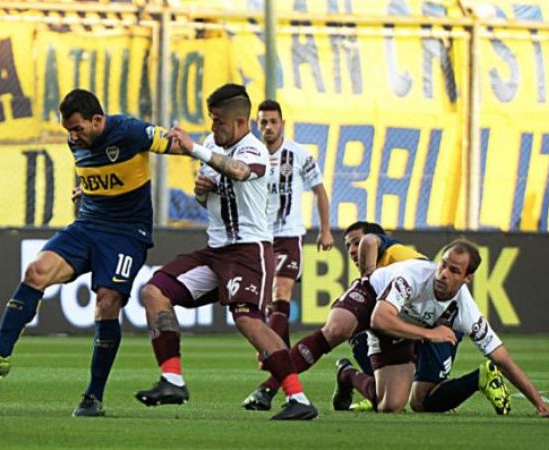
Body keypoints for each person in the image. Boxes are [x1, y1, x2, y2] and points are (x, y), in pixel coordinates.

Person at [0, 88, 183, 417]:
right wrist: (87, 189)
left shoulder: (130, 131)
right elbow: (100, 175)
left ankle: (93, 397)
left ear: (97, 120)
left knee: (107, 302)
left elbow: (175, 144)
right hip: (88, 224)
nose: (73, 137)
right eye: (68, 131)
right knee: (36, 272)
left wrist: (212, 160)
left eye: (78, 129)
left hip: (125, 234)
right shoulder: (77, 142)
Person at [134, 84, 318, 421]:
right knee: (154, 291)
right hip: (216, 251)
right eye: (211, 120)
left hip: (249, 251)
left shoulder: (255, 151)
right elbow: (210, 197)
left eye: (219, 122)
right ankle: (172, 379)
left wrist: (193, 151)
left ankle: (299, 399)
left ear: (239, 122)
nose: (213, 128)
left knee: (248, 320)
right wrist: (202, 192)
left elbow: (238, 171)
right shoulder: (210, 144)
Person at [333, 238, 549, 418]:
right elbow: (380, 319)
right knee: (390, 403)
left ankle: (347, 374)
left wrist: (541, 406)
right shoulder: (414, 274)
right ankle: (333, 379)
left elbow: (502, 358)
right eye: (444, 265)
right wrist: (429, 334)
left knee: (404, 404)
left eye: (454, 270)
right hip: (389, 320)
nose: (443, 274)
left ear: (467, 278)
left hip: (421, 330)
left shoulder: (465, 309)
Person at [241, 221, 429, 411]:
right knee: (337, 330)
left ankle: (347, 374)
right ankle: (268, 387)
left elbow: (370, 242)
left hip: (396, 320)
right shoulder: (380, 278)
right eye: (348, 246)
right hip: (385, 315)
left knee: (389, 405)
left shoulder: (398, 256)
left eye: (357, 243)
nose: (352, 250)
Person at [256, 99, 334, 347]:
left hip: (289, 235)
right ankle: (285, 359)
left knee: (281, 291)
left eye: (273, 122)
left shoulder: (299, 154)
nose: (269, 127)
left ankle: (272, 354)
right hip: (259, 237)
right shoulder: (250, 156)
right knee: (269, 302)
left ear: (283, 124)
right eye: (264, 122)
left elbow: (320, 191)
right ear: (257, 125)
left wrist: (325, 230)